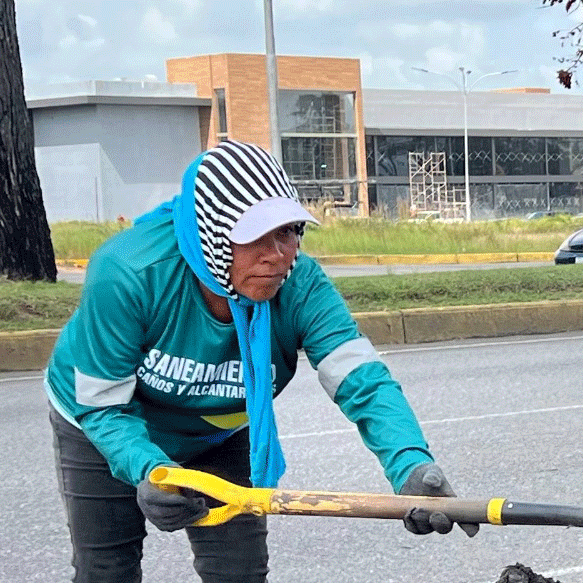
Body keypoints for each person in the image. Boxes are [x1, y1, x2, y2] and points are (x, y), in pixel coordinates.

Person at [45, 140, 476, 583]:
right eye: (255, 236)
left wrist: (410, 463)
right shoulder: (130, 272)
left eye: (288, 231)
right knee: (107, 570)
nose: (279, 254)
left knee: (239, 574)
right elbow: (103, 403)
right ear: (210, 232)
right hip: (102, 422)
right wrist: (149, 468)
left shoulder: (300, 285)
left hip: (218, 432)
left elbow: (362, 380)